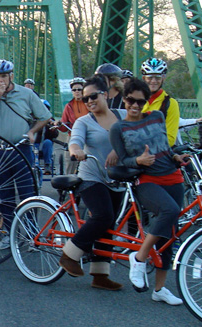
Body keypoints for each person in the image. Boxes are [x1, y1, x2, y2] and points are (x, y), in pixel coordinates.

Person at [110, 77, 189, 305]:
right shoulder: (119, 127)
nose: (135, 106)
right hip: (147, 180)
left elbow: (165, 146)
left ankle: (160, 289)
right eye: (131, 100)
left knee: (168, 235)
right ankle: (139, 257)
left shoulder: (157, 116)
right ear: (124, 99)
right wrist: (139, 160)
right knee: (169, 211)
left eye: (140, 102)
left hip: (173, 177)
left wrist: (176, 156)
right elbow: (123, 160)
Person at [58, 75, 127, 291]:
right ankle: (69, 255)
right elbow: (75, 141)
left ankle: (100, 275)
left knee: (109, 224)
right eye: (86, 99)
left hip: (117, 178)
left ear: (105, 94)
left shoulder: (123, 115)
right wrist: (76, 151)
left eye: (93, 96)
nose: (89, 101)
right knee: (102, 216)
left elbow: (137, 132)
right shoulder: (83, 121)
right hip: (91, 177)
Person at [0, 59, 51, 250]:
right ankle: (9, 235)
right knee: (5, 195)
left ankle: (31, 235)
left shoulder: (26, 94)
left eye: (3, 76)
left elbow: (45, 116)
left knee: (28, 193)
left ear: (11, 76)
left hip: (22, 149)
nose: (0, 80)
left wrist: (32, 131)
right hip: (0, 150)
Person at [140, 57, 180, 147]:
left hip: (158, 152)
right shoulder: (135, 100)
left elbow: (170, 139)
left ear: (163, 78)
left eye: (157, 77)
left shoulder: (170, 103)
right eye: (150, 77)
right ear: (144, 78)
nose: (153, 81)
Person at [60, 77, 88, 174]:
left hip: (88, 136)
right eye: (74, 90)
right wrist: (59, 124)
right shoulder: (69, 106)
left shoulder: (90, 103)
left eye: (79, 89)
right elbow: (63, 127)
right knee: (69, 161)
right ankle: (68, 185)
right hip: (73, 135)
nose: (77, 92)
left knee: (89, 161)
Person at [35, 100, 58, 175]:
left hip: (44, 144)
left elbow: (55, 134)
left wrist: (52, 128)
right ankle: (34, 165)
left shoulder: (50, 119)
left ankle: (47, 165)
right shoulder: (32, 118)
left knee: (48, 142)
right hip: (34, 144)